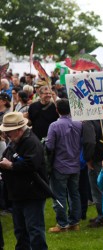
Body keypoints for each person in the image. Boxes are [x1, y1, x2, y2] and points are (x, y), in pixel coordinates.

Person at [0, 112, 49, 250]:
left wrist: (10, 165)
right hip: (19, 193)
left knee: (34, 230)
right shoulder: (15, 141)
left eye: (9, 132)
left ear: (19, 130)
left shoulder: (31, 142)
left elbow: (31, 165)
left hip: (32, 194)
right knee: (20, 231)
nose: (7, 135)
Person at [46, 99, 82, 233]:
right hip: (75, 164)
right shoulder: (79, 124)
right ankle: (74, 222)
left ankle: (62, 224)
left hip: (60, 165)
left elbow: (49, 146)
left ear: (57, 110)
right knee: (74, 194)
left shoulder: (54, 126)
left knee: (59, 195)